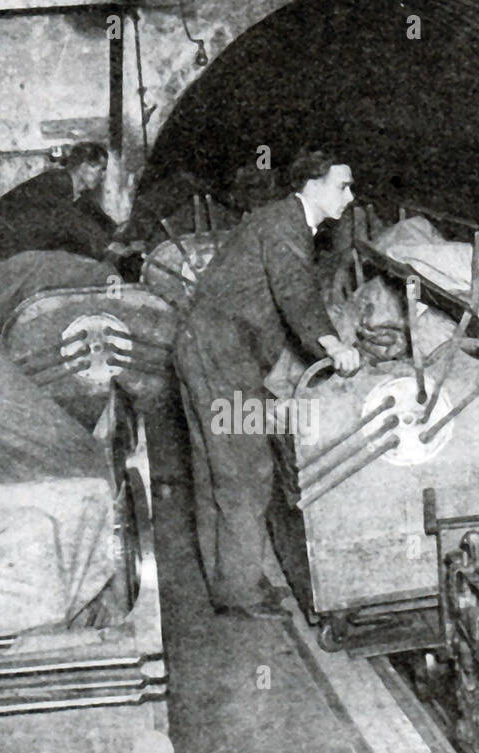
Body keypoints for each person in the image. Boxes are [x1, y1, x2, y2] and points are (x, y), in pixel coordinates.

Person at [175, 150, 360, 622]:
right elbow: (295, 294)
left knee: (215, 467)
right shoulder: (285, 225)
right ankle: (240, 591)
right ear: (313, 186)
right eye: (343, 185)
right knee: (246, 467)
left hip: (207, 350)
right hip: (223, 358)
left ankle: (228, 580)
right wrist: (334, 347)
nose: (350, 195)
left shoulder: (281, 221)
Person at [0, 142, 143, 271]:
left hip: (6, 253)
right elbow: (71, 222)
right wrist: (107, 247)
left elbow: (98, 219)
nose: (102, 176)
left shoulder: (78, 195)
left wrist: (122, 233)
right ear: (83, 166)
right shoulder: (56, 183)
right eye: (100, 169)